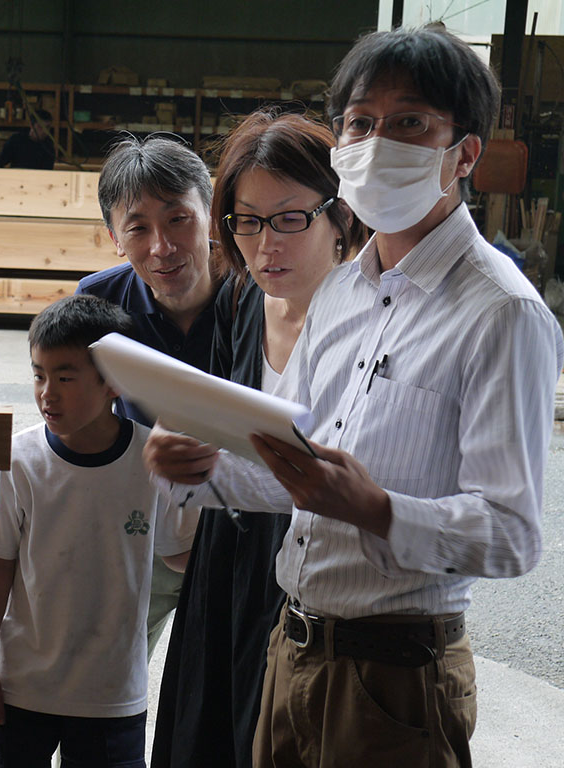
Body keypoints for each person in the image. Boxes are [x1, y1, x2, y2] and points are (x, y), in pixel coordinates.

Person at [144, 26, 564, 768]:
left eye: (410, 123)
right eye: (360, 122)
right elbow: (293, 469)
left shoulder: (501, 314)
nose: (376, 142)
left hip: (395, 676)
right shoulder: (342, 293)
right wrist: (205, 465)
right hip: (293, 647)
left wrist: (374, 508)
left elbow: (512, 534)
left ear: (463, 153)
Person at [151, 109, 367, 768]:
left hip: (310, 575)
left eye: (289, 218)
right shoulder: (239, 301)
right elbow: (219, 417)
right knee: (204, 734)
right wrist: (180, 446)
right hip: (226, 561)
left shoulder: (369, 319)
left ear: (341, 216)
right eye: (246, 221)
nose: (265, 243)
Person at [0, 294, 198, 767]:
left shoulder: (154, 459)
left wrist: (203, 490)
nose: (48, 392)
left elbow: (179, 557)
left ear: (114, 383)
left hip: (111, 693)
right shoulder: (18, 459)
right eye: (38, 374)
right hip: (24, 686)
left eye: (66, 377)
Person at [77, 135, 219, 655]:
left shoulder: (258, 296)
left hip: (241, 529)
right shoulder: (99, 301)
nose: (162, 247)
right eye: (138, 227)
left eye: (178, 218)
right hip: (143, 525)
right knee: (106, 667)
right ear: (115, 237)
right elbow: (78, 427)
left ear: (211, 213)